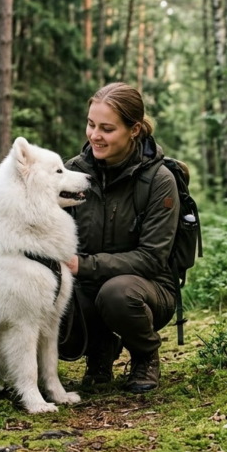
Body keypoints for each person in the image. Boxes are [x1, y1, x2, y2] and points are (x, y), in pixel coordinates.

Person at [61, 82, 179, 393]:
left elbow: (152, 259)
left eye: (107, 128)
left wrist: (83, 265)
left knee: (117, 293)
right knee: (42, 293)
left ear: (134, 129)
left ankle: (144, 354)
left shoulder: (159, 181)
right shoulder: (72, 173)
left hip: (147, 291)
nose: (94, 135)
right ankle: (99, 351)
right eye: (91, 124)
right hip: (85, 285)